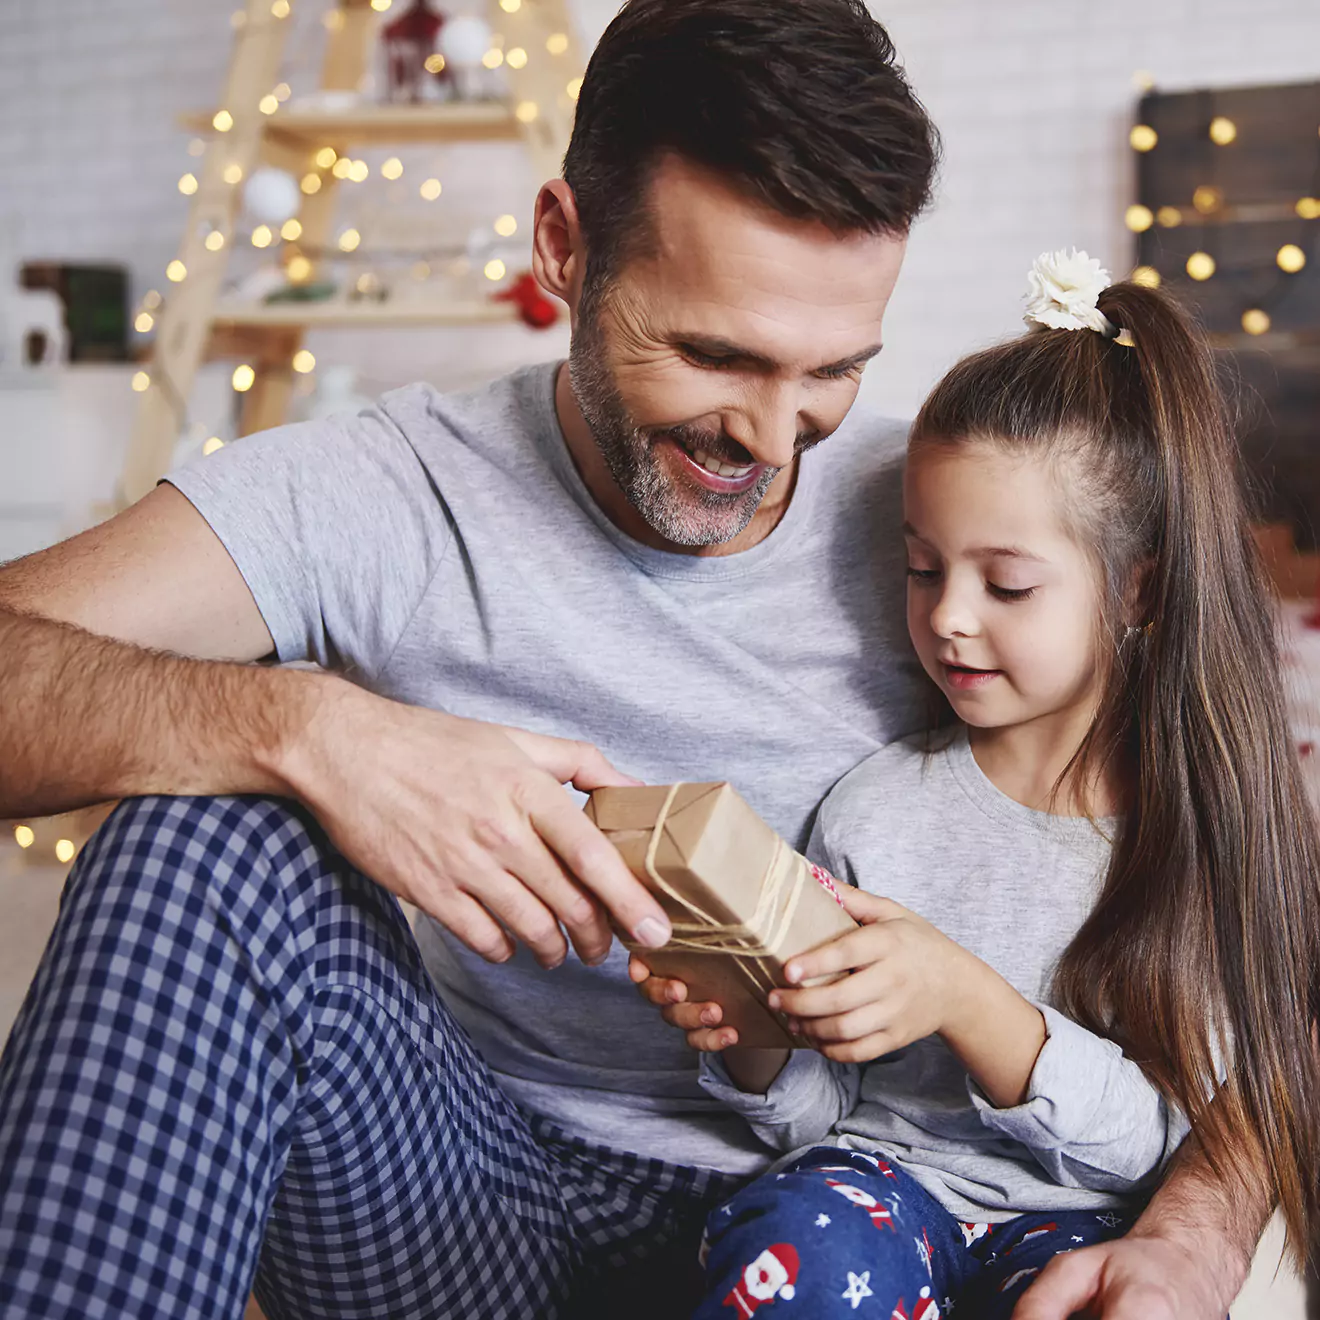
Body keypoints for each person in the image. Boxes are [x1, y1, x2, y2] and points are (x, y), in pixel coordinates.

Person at [0, 3, 1277, 1316]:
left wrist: (1203, 1222)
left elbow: (1254, 907)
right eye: (716, 354)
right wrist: (306, 728)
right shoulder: (381, 490)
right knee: (196, 836)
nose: (775, 437)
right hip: (459, 1185)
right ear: (566, 245)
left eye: (832, 371)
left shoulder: (952, 527)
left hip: (848, 1214)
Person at [636, 257, 1320, 1316]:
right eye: (922, 567)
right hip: (879, 1192)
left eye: (1005, 584)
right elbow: (821, 1120)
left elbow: (1157, 1137)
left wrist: (965, 997)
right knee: (800, 1241)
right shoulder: (876, 808)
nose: (950, 615)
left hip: (1078, 1222)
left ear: (1138, 588)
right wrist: (755, 1042)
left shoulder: (1190, 838)